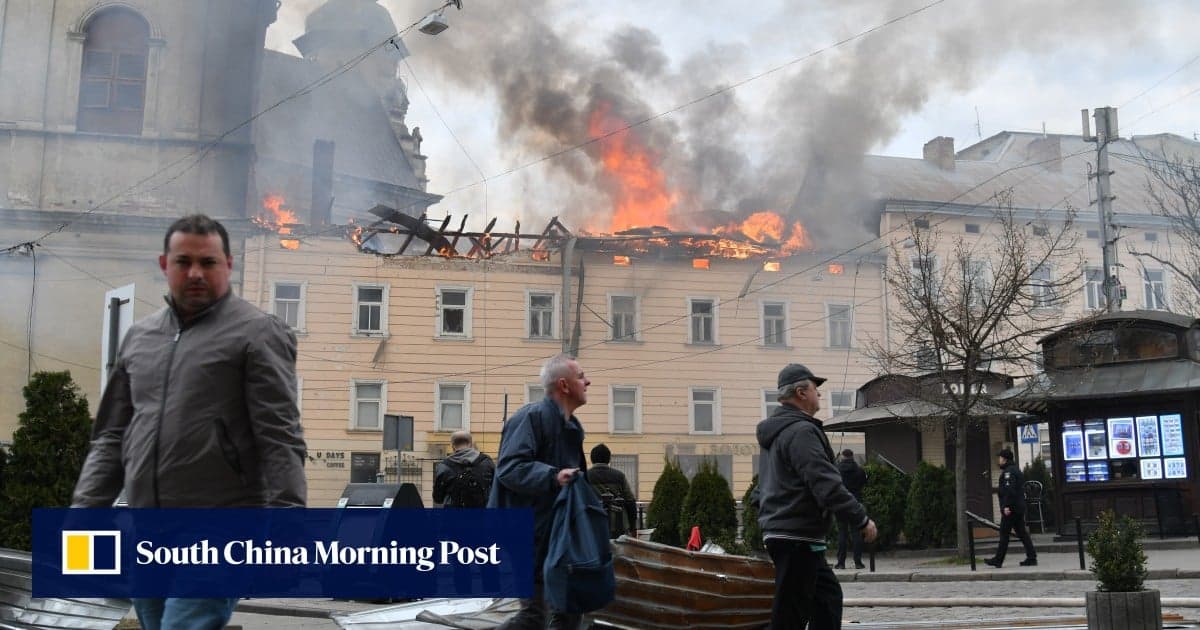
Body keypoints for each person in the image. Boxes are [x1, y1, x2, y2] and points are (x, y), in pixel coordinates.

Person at [72, 214, 307, 630]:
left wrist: (288, 527)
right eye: (184, 262)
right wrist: (84, 514)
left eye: (208, 262)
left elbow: (280, 436)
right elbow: (111, 437)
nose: (196, 273)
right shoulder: (141, 337)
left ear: (228, 265)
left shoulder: (257, 333)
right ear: (164, 265)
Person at [757, 363, 877, 629]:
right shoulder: (801, 431)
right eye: (815, 389)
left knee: (827, 599)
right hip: (796, 535)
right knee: (790, 615)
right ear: (801, 393)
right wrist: (861, 520)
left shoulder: (778, 432)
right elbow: (826, 483)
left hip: (791, 532)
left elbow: (760, 489)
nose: (819, 395)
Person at [489, 353, 589, 630]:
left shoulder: (572, 427)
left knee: (569, 611)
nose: (588, 381)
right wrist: (553, 476)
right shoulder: (531, 417)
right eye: (581, 376)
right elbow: (509, 468)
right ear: (564, 385)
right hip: (526, 534)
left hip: (555, 536)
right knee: (534, 616)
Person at [985, 448, 1038, 568]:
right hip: (1018, 507)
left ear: (1004, 459)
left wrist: (1006, 506)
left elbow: (1010, 491)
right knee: (1022, 533)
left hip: (1012, 508)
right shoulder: (1015, 469)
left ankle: (998, 560)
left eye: (1000, 458)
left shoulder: (1008, 472)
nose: (998, 460)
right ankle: (1031, 557)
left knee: (1004, 533)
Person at [585, 443, 637, 538]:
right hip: (619, 524)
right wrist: (633, 527)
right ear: (609, 459)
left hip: (593, 524)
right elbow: (630, 501)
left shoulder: (585, 476)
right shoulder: (619, 476)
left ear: (592, 459)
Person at [433, 430, 495, 508]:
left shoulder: (444, 466)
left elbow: (438, 498)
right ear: (471, 444)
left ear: (453, 446)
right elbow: (496, 490)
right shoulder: (486, 462)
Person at [835, 449, 868, 570]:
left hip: (841, 504)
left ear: (842, 457)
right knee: (856, 533)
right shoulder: (859, 470)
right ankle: (858, 562)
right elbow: (864, 482)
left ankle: (840, 563)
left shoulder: (837, 470)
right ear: (852, 456)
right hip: (856, 503)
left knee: (842, 533)